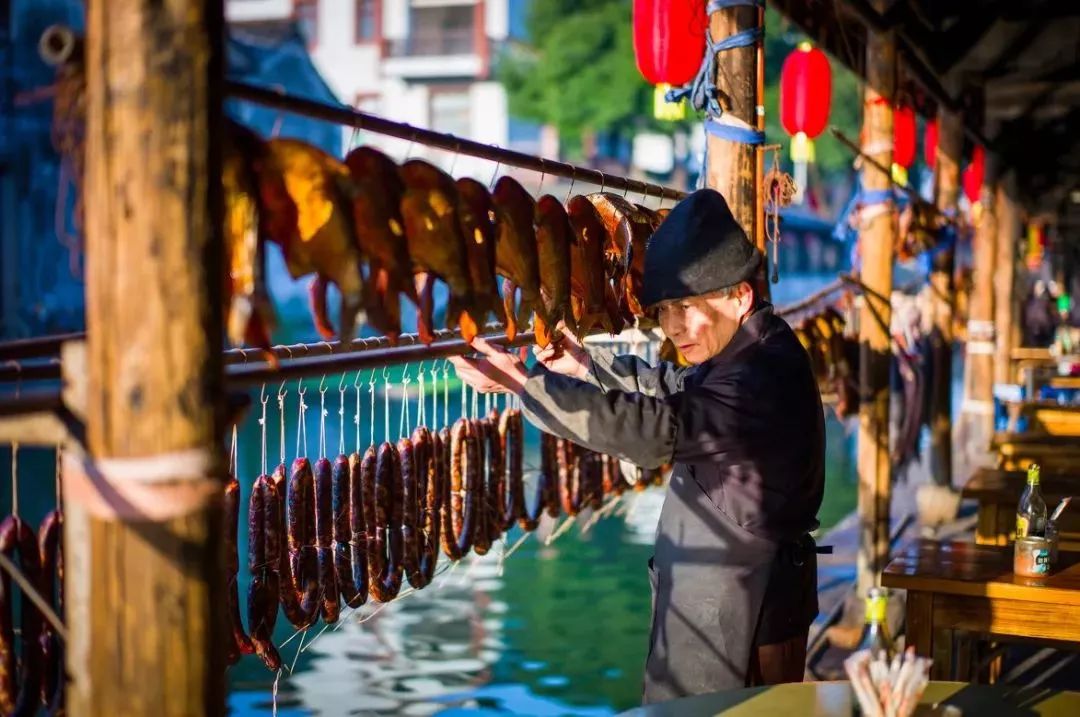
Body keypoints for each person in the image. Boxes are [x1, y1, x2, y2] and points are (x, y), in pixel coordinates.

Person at [450, 189, 825, 702]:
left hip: (735, 612)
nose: (672, 326)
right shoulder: (754, 348)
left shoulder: (758, 377)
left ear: (738, 296)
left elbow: (654, 429)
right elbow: (677, 390)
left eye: (687, 307)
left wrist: (525, 386)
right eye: (664, 309)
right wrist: (586, 366)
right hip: (730, 596)